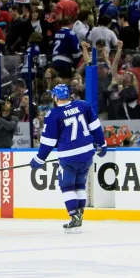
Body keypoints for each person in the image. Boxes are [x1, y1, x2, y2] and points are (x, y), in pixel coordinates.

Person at [30, 84, 106, 232]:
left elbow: (48, 142)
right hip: (87, 155)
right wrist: (102, 144)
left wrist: (39, 159)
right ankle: (79, 214)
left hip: (69, 157)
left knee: (67, 187)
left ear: (56, 97)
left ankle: (74, 216)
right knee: (79, 186)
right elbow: (96, 127)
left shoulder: (53, 114)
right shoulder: (83, 105)